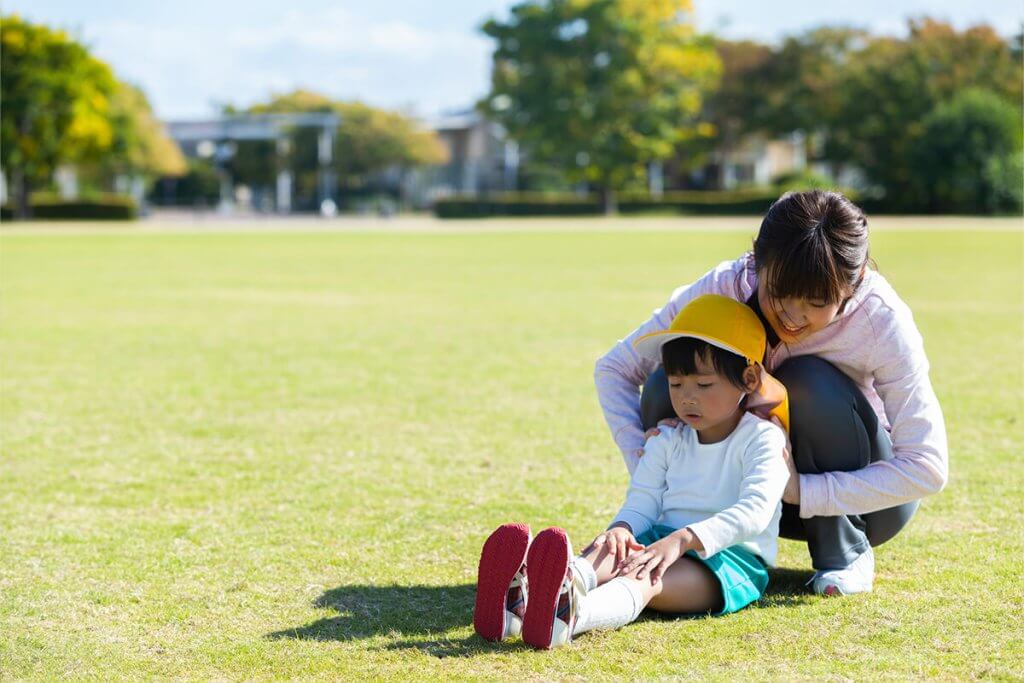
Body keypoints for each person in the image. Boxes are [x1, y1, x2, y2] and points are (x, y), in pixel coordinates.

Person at [595, 190, 948, 596]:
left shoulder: (881, 320)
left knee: (806, 381)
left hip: (863, 504)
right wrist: (645, 462)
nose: (792, 316)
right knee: (670, 379)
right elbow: (614, 368)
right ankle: (685, 537)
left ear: (853, 284)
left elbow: (928, 466)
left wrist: (801, 490)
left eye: (816, 302)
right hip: (744, 499)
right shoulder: (725, 287)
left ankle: (844, 554)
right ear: (757, 264)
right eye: (778, 292)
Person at [473, 295, 789, 648]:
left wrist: (681, 540)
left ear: (747, 379)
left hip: (728, 562)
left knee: (646, 577)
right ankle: (520, 604)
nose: (687, 398)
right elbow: (643, 500)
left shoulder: (763, 438)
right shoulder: (667, 438)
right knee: (611, 549)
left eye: (703, 385)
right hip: (659, 539)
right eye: (675, 384)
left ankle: (571, 618)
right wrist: (621, 529)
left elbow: (755, 513)